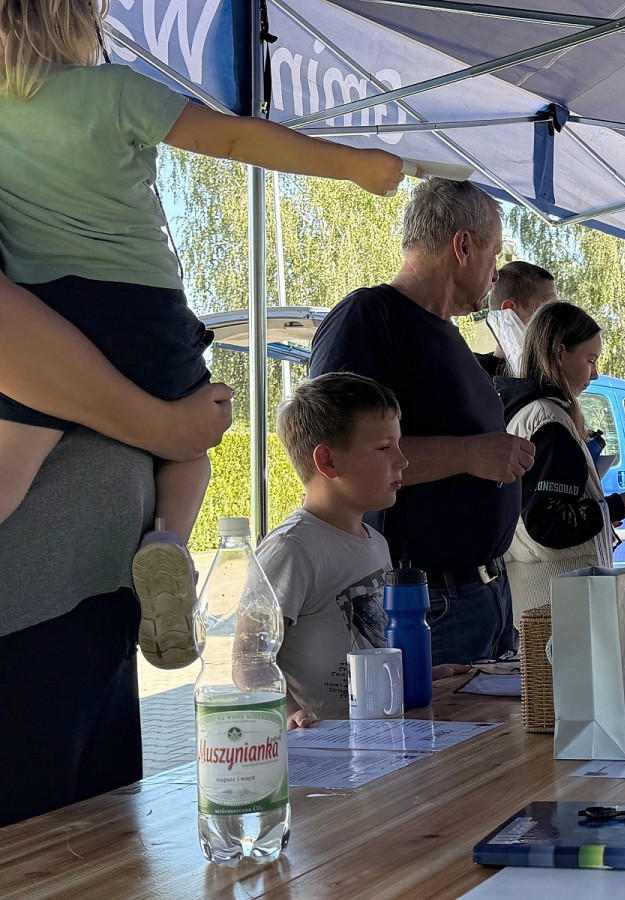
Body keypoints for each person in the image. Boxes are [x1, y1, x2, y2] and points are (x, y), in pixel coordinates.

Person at [0, 0, 409, 669]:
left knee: (8, 470)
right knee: (193, 442)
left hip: (43, 318)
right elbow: (236, 140)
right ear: (78, 20)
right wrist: (353, 165)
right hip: (144, 316)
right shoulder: (116, 91)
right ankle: (167, 543)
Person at [0, 273, 231, 827]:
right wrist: (168, 425)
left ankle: (165, 546)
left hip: (102, 603)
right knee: (45, 848)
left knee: (100, 841)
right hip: (31, 615)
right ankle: (168, 543)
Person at [309, 177, 534, 666]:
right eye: (494, 254)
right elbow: (334, 457)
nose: (497, 271)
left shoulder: (448, 333)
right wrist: (471, 454)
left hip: (485, 595)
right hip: (425, 603)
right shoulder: (369, 319)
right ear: (463, 246)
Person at [258, 373, 466, 728]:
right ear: (328, 461)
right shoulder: (291, 548)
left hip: (378, 734)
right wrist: (292, 713)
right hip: (323, 746)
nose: (402, 460)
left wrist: (410, 677)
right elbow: (251, 658)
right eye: (384, 448)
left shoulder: (377, 542)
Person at [496, 302, 625, 620]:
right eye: (590, 360)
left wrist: (599, 511)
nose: (595, 373)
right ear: (560, 353)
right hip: (558, 598)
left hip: (546, 592)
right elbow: (548, 523)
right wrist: (623, 504)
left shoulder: (531, 412)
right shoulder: (548, 422)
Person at [475, 261, 559, 379]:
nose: (555, 319)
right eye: (545, 309)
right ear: (509, 312)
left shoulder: (553, 373)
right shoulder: (473, 379)